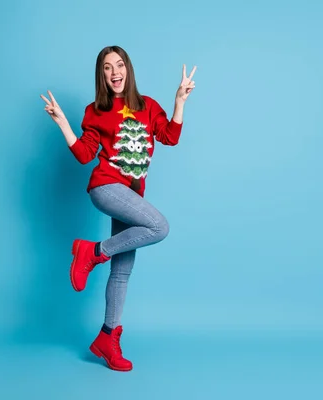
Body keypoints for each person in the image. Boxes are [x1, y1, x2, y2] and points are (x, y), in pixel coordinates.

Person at [40, 45, 196, 371]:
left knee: (122, 271)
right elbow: (85, 155)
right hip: (106, 187)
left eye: (119, 65)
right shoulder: (96, 110)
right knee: (159, 227)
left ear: (128, 69)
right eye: (107, 67)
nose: (115, 72)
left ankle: (107, 338)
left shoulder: (148, 106)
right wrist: (64, 124)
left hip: (130, 194)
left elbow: (169, 136)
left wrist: (179, 101)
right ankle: (92, 251)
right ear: (102, 75)